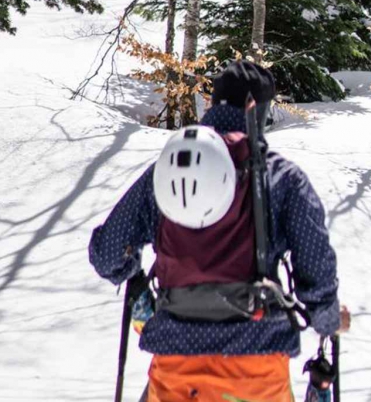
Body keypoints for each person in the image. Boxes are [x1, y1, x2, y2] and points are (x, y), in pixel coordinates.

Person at [88, 60, 347, 402]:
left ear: (213, 103)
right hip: (257, 368)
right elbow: (315, 268)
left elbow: (108, 253)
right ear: (261, 111)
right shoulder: (281, 178)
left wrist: (134, 276)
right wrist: (328, 320)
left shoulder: (168, 173)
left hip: (175, 368)